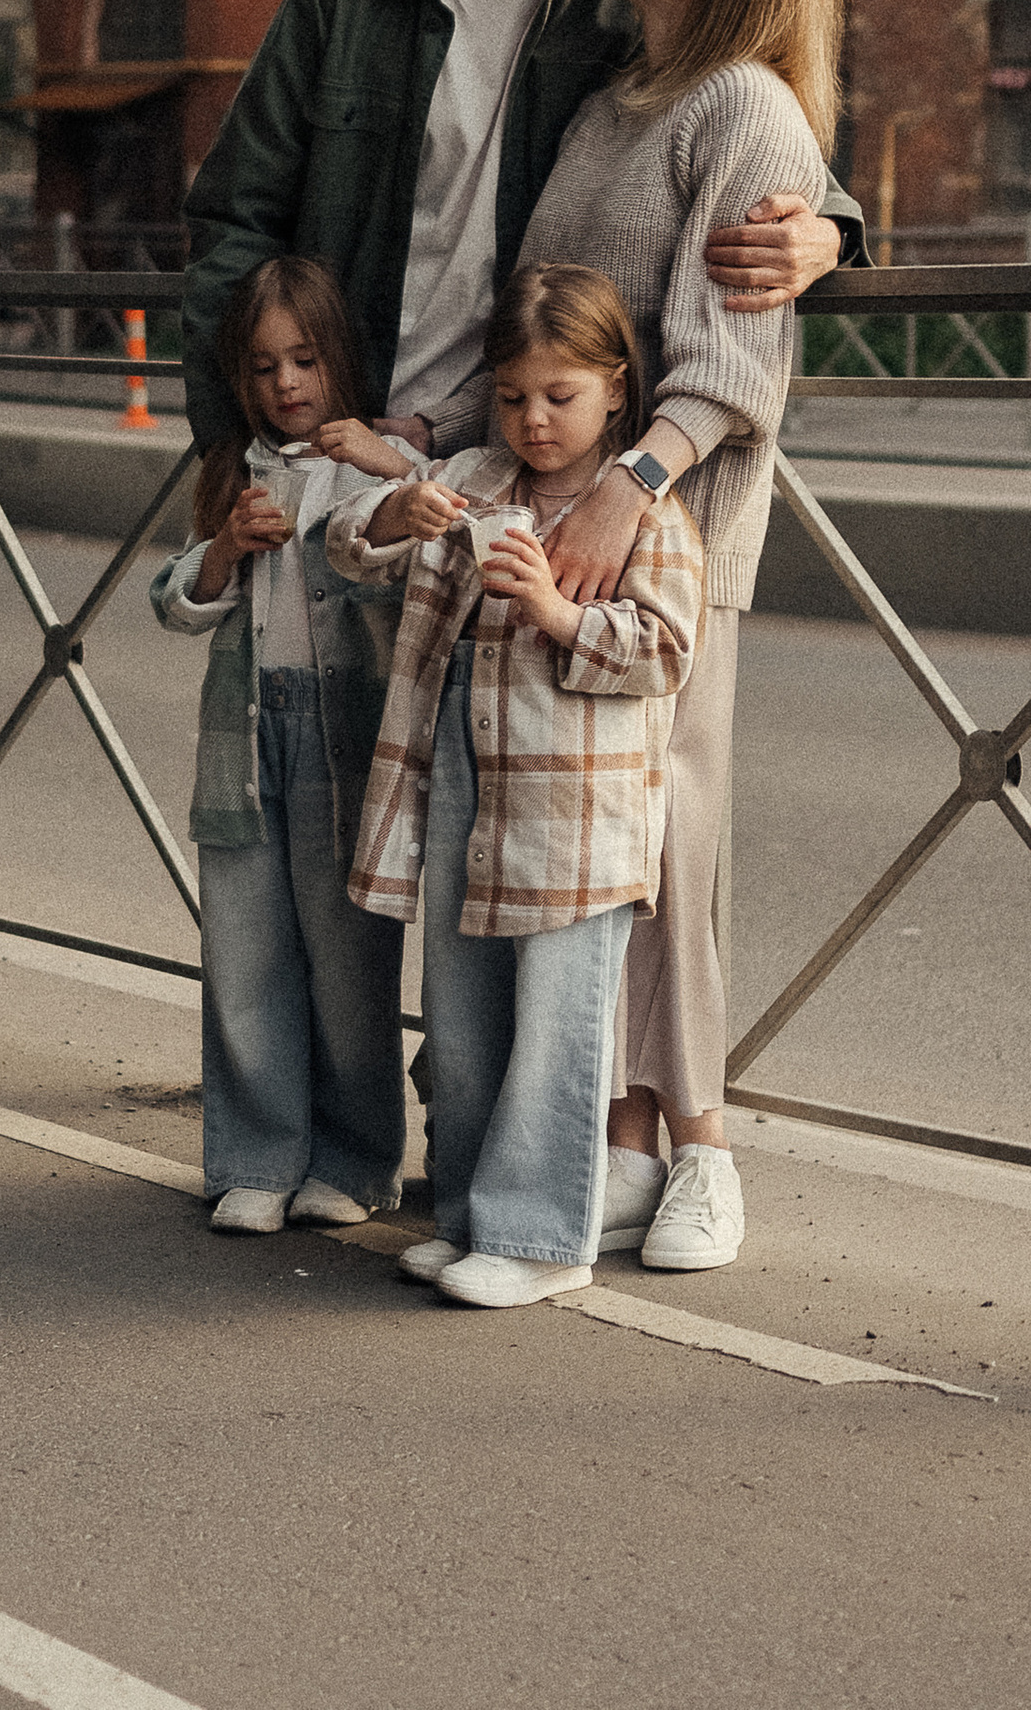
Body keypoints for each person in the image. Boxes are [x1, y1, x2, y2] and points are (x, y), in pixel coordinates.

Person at [181, 0, 849, 495]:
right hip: (332, 438)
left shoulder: (614, 7)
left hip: (502, 458)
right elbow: (234, 220)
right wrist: (226, 445)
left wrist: (831, 230)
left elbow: (739, 122)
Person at [485, 0, 842, 1276]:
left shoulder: (747, 109)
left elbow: (732, 364)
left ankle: (705, 1141)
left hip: (675, 530)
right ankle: (623, 1128)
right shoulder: (616, 97)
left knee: (674, 832)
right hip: (575, 510)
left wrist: (630, 490)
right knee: (601, 835)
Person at [328, 262, 700, 1306]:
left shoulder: (640, 517)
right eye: (512, 397)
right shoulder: (479, 484)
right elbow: (352, 553)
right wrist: (393, 516)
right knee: (463, 1014)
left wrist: (556, 610)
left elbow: (665, 652)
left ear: (617, 389)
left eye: (560, 396)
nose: (533, 421)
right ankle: (472, 1218)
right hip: (463, 786)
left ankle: (545, 1238)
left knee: (557, 1026)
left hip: (578, 814)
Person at [148, 257, 416, 1232]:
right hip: (244, 741)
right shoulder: (237, 471)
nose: (286, 384)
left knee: (348, 961)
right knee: (246, 948)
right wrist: (222, 552)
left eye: (304, 359)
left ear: (336, 359)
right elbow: (172, 602)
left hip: (343, 743)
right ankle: (256, 1153)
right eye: (262, 366)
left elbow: (431, 543)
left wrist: (395, 470)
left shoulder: (374, 462)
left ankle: (353, 1159)